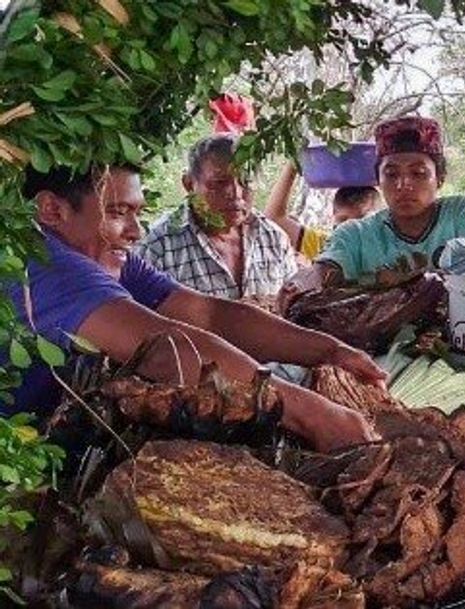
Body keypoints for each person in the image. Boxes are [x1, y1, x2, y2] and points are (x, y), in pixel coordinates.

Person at [7, 164, 381, 453]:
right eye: (117, 211)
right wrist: (310, 414)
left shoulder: (107, 255)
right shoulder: (43, 266)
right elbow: (163, 349)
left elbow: (210, 315)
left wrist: (330, 351)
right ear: (52, 210)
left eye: (137, 211)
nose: (137, 230)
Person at [280, 116, 465, 302]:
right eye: (392, 174)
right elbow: (322, 271)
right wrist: (298, 285)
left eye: (418, 173)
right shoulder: (355, 235)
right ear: (379, 179)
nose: (403, 184)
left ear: (439, 178)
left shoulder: (460, 214)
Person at [134, 135, 298, 300]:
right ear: (189, 184)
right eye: (219, 183)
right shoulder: (158, 247)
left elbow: (291, 308)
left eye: (245, 181)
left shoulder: (273, 238)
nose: (236, 194)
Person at [265, 163, 381, 262]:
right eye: (343, 220)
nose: (350, 229)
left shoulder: (390, 251)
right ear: (333, 218)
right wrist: (293, 164)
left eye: (361, 221)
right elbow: (273, 219)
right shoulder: (324, 246)